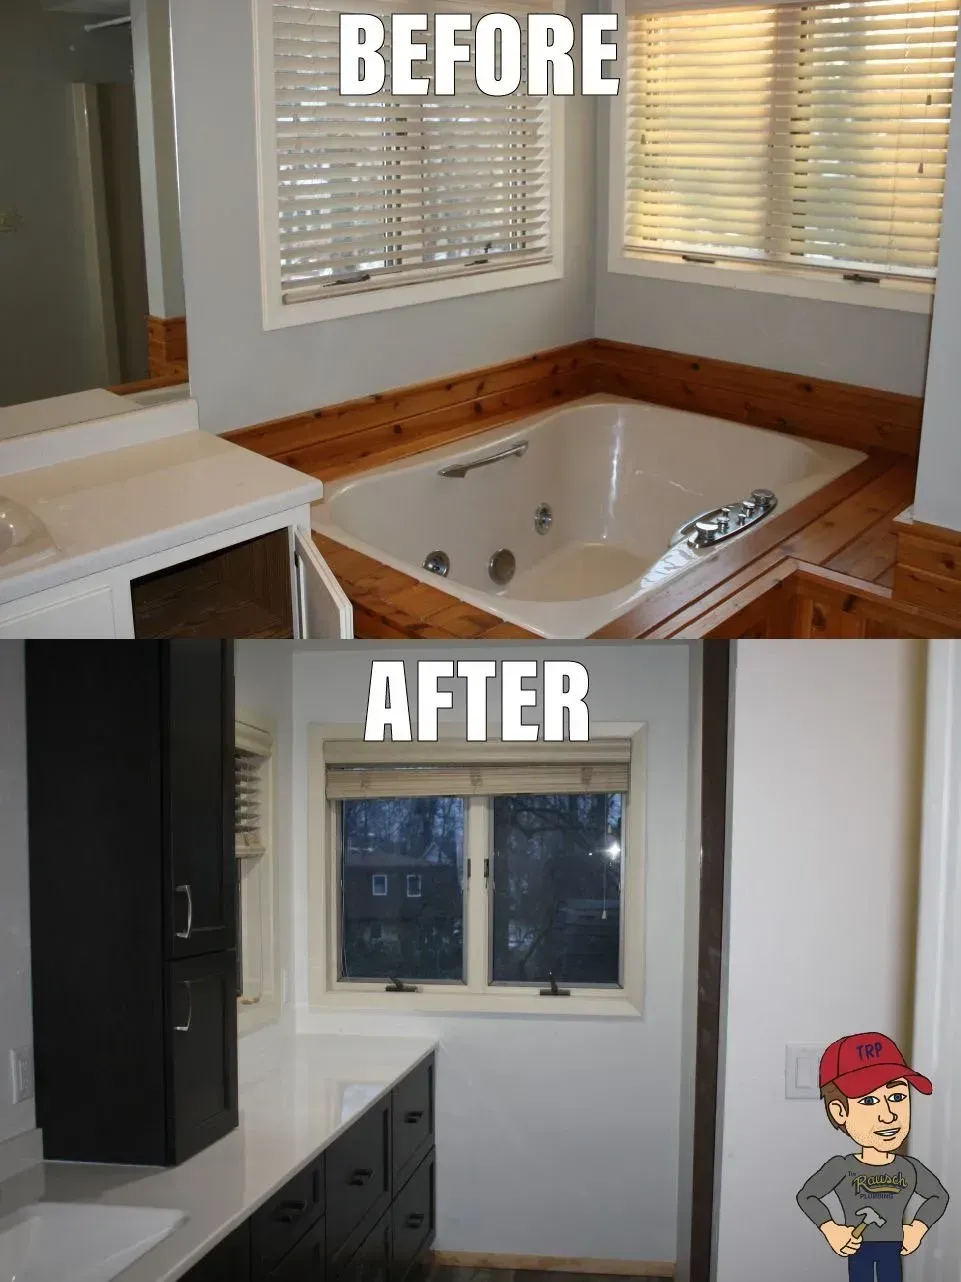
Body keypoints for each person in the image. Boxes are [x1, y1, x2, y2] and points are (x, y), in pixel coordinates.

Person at [796, 1032, 949, 1282]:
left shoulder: (911, 1169)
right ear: (839, 1112)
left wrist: (918, 1229)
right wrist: (831, 1229)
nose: (888, 1116)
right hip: (859, 1248)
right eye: (869, 1100)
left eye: (897, 1097)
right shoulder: (841, 1168)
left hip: (894, 1248)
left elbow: (938, 1196)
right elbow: (807, 1196)